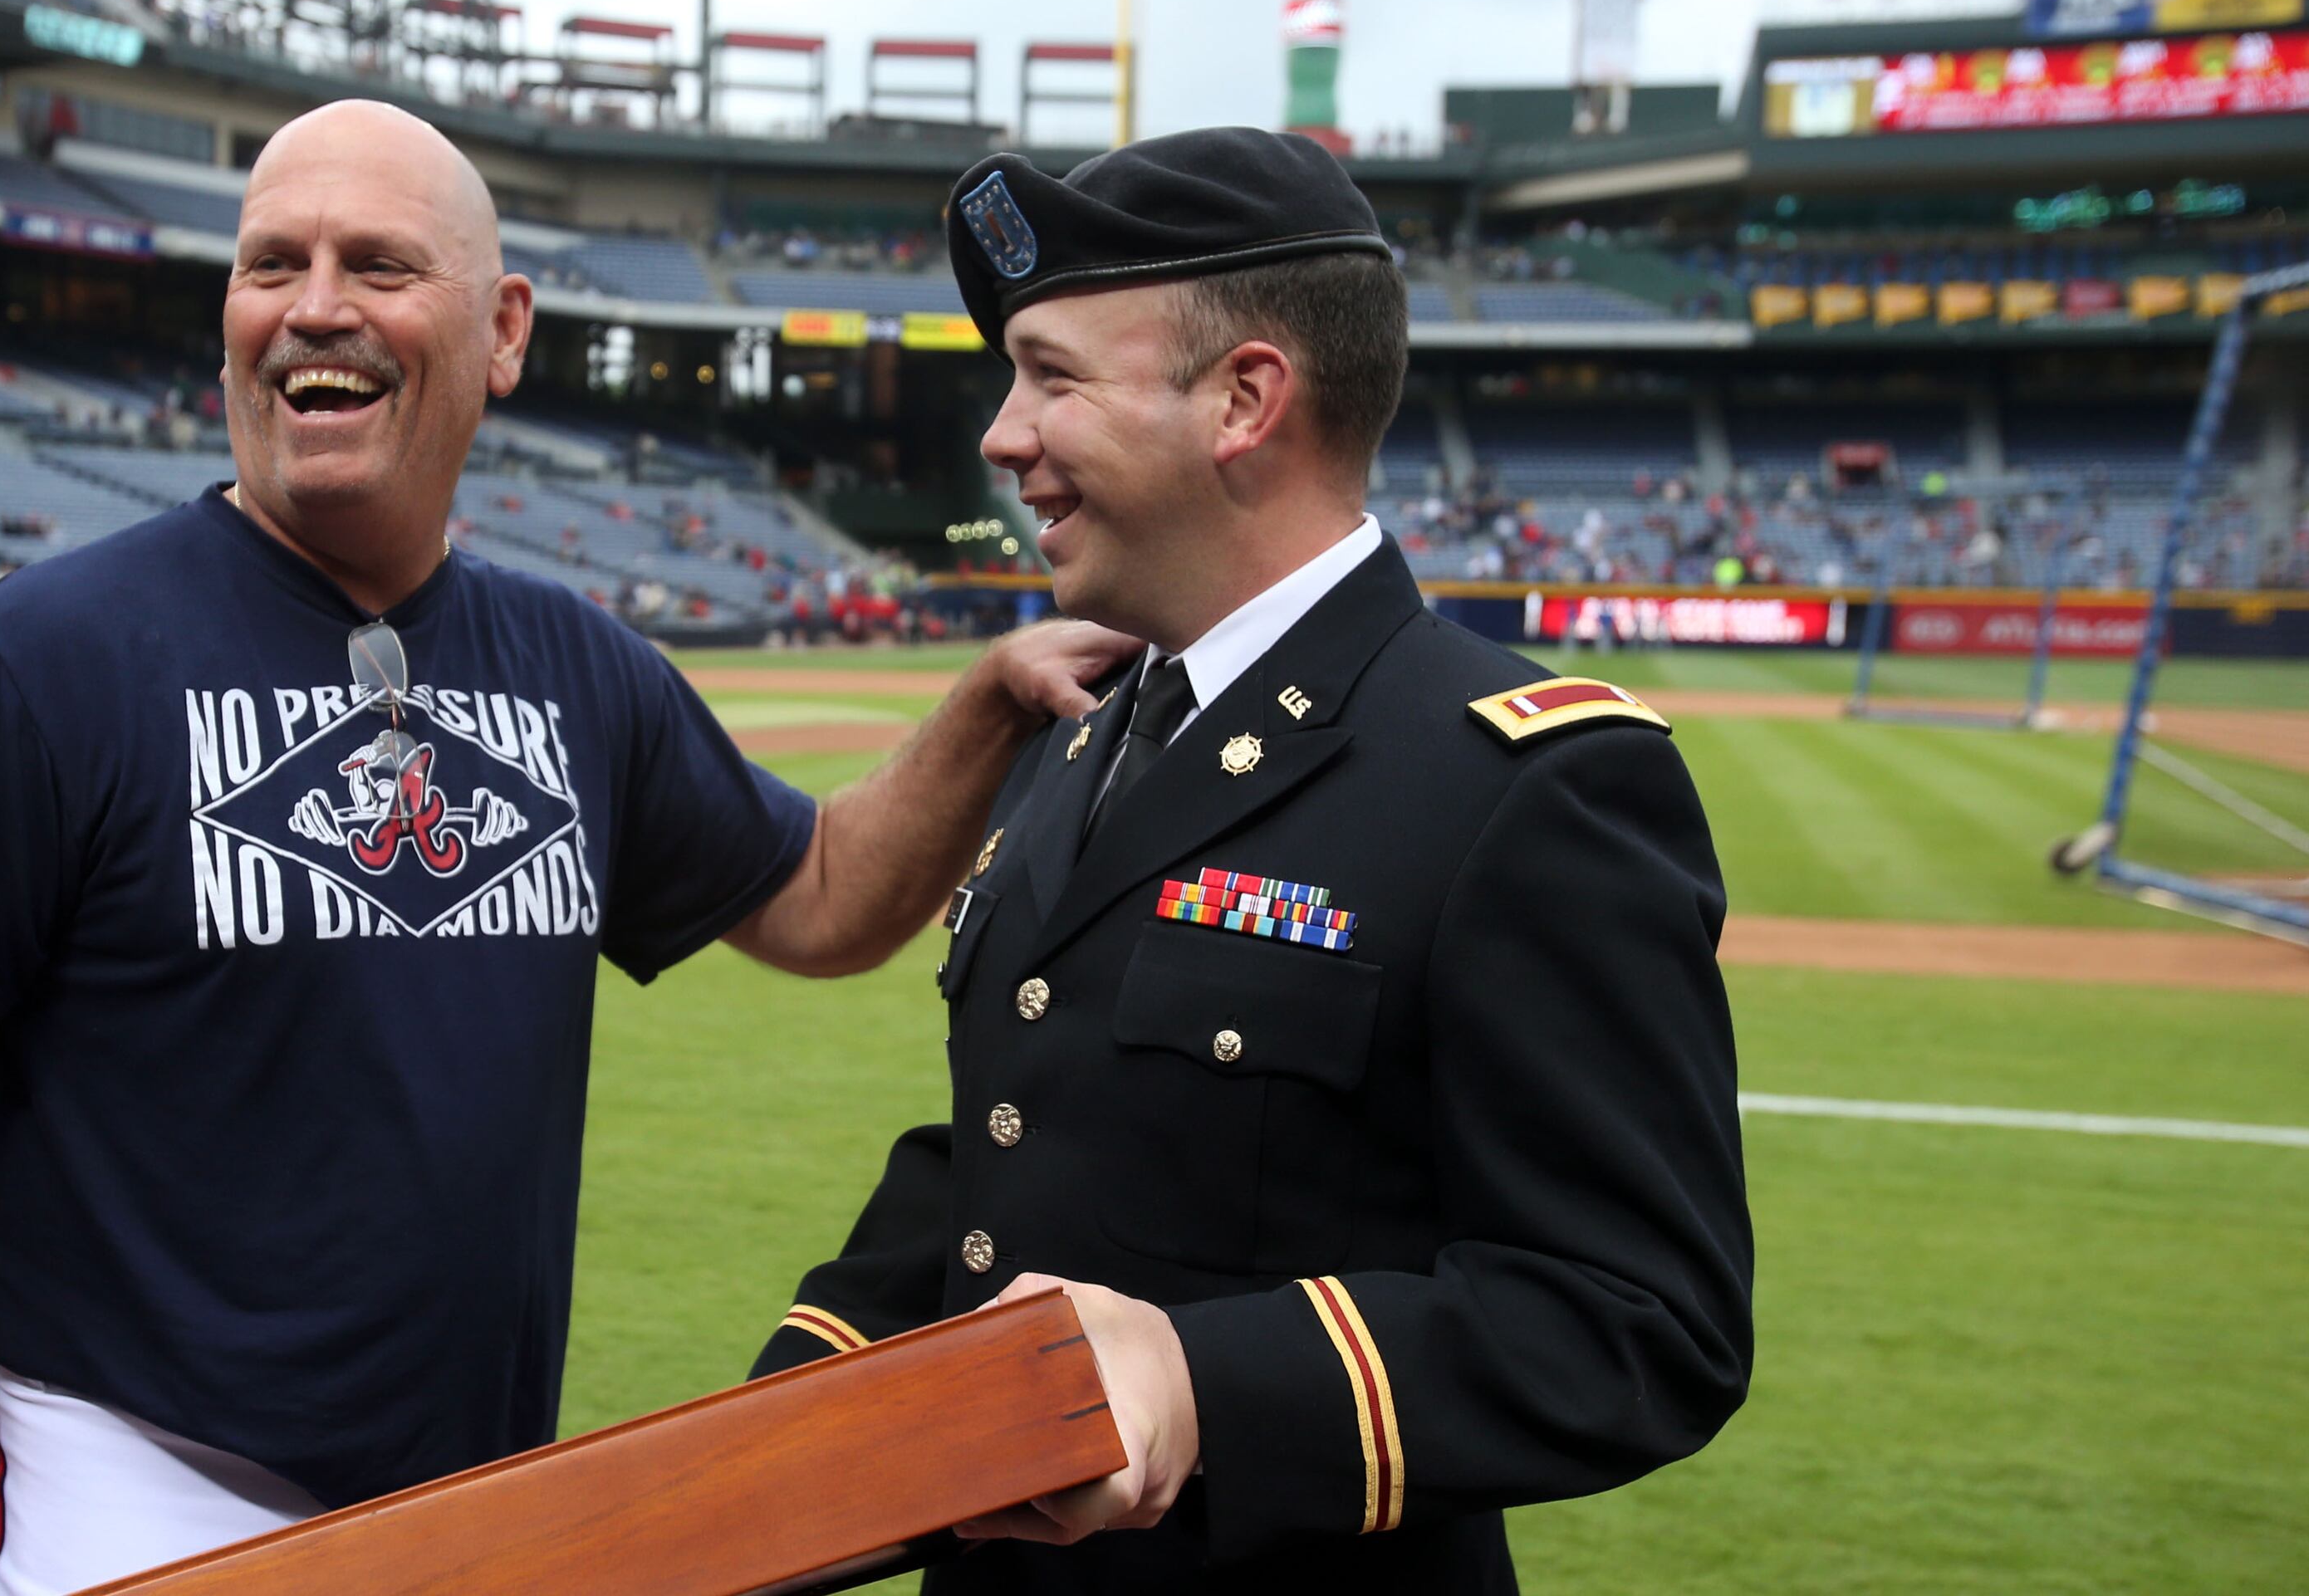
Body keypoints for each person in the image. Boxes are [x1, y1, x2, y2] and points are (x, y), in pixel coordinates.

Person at [0, 100, 1131, 1596]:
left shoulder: (574, 667)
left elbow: (817, 898)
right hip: (142, 1480)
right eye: (270, 263)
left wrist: (990, 702)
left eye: (379, 264)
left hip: (483, 1501)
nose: (315, 309)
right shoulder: (41, 662)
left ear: (503, 332)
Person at [747, 129, 1751, 1594]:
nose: (1001, 434)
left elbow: (1633, 1317)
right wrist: (790, 1411)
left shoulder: (1529, 784)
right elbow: (1028, 1146)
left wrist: (1199, 1383)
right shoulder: (1082, 734)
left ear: (1244, 399)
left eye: (1054, 374)